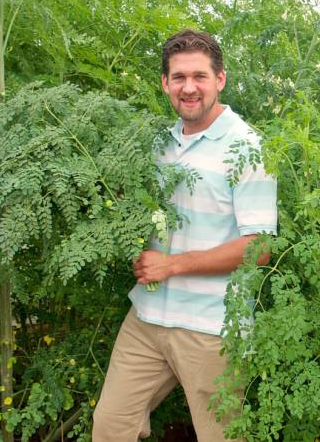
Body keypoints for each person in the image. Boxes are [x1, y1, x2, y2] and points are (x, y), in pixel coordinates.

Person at [92, 30, 278, 441]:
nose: (188, 87)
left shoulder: (247, 147)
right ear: (165, 83)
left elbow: (261, 246)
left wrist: (172, 265)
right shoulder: (160, 142)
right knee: (110, 426)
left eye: (199, 76)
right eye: (178, 77)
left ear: (220, 80)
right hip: (147, 316)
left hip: (210, 327)